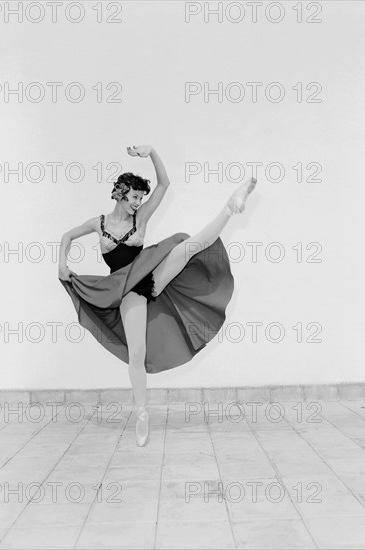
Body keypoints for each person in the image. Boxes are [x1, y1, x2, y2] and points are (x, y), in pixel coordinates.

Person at [58, 145, 257, 446]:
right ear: (120, 193)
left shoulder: (142, 217)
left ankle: (230, 206)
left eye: (141, 198)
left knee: (190, 246)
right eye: (134, 197)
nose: (139, 202)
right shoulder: (98, 224)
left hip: (149, 276)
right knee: (137, 353)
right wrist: (62, 264)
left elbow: (164, 184)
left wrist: (151, 152)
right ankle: (141, 413)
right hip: (125, 291)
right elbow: (66, 236)